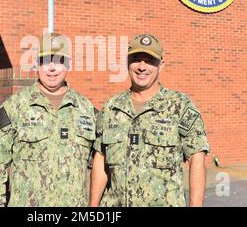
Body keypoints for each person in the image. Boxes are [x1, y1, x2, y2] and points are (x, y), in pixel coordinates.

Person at [89, 34, 209, 207]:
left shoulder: (180, 106)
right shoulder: (111, 107)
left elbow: (197, 158)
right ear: (127, 63)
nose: (142, 67)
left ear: (161, 66)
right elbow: (100, 160)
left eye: (150, 61)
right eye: (136, 59)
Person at [0, 32, 97, 206]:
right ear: (37, 64)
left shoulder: (87, 110)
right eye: (45, 60)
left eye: (58, 61)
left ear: (68, 64)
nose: (52, 68)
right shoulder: (15, 107)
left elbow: (103, 164)